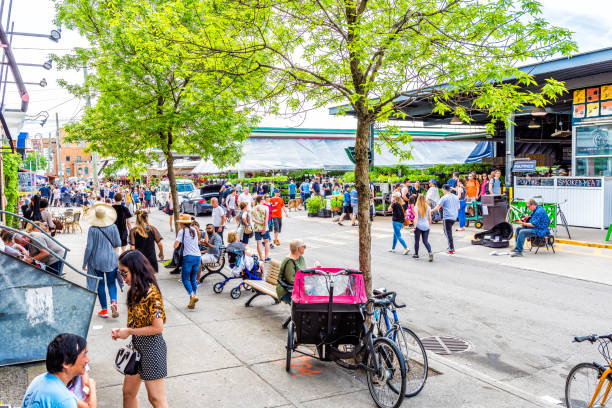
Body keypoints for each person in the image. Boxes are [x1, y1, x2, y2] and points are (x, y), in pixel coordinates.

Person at [113, 250, 168, 408]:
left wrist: (129, 331)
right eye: (120, 273)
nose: (122, 278)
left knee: (156, 399)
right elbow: (136, 323)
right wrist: (123, 331)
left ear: (136, 270)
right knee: (128, 392)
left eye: (124, 273)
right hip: (137, 347)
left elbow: (158, 328)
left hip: (152, 348)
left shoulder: (152, 293)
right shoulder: (135, 291)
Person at [21, 333, 97, 408]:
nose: (87, 360)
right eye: (84, 355)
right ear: (66, 363)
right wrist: (92, 388)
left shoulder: (39, 380)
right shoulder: (64, 399)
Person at [83, 204, 122, 318]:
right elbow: (118, 244)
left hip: (96, 260)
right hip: (111, 258)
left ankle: (104, 310)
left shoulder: (92, 229)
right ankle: (113, 302)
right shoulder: (113, 227)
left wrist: (84, 262)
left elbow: (89, 247)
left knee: (100, 284)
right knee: (111, 283)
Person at [174, 214, 201, 309]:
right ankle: (192, 301)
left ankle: (192, 295)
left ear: (182, 223)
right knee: (193, 279)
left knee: (185, 279)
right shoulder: (194, 229)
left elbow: (175, 245)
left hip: (188, 257)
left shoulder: (182, 231)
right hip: (197, 257)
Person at [431, 185, 459, 254]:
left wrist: (429, 211)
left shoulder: (444, 198)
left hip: (447, 217)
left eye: (442, 190)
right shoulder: (455, 197)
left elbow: (437, 208)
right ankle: (450, 246)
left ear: (444, 189)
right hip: (454, 217)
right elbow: (458, 207)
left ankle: (451, 248)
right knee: (447, 231)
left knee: (448, 232)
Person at [413, 194, 433, 261]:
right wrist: (429, 225)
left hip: (418, 226)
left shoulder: (416, 207)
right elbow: (430, 218)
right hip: (426, 226)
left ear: (418, 199)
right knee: (425, 241)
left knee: (417, 241)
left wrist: (414, 227)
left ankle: (416, 254)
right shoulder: (428, 207)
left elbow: (416, 218)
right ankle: (430, 252)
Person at [251, 195, 271, 262]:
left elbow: (253, 219)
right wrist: (264, 228)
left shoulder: (254, 208)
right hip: (264, 228)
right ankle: (266, 257)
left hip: (257, 228)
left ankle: (261, 258)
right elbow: (266, 219)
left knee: (258, 243)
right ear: (261, 200)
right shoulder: (266, 207)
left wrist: (259, 222)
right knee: (266, 242)